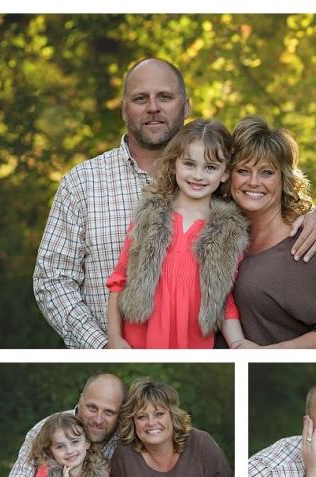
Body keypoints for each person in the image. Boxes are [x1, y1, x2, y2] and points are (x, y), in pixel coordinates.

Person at [33, 59, 316, 349]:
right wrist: (106, 347)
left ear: (186, 105)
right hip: (121, 349)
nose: (153, 107)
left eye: (164, 96)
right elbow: (53, 280)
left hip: (196, 344)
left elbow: (261, 190)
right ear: (124, 109)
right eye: (140, 98)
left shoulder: (218, 186)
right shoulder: (82, 183)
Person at [106, 119, 248, 349]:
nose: (198, 175)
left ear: (225, 174)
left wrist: (238, 344)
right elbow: (119, 279)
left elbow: (224, 298)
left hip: (191, 341)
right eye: (190, 164)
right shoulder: (150, 216)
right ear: (174, 165)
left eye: (210, 167)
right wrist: (114, 338)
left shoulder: (229, 231)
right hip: (141, 338)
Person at [229, 115, 316, 348]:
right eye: (243, 170)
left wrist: (264, 354)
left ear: (283, 178)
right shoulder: (223, 233)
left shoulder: (305, 244)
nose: (254, 182)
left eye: (266, 172)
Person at [0, 372, 126, 477]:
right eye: (92, 407)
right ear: (80, 400)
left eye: (109, 412)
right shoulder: (49, 429)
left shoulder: (125, 444)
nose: (98, 420)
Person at [110, 377, 234, 477]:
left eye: (159, 414)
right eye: (142, 417)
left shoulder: (200, 443)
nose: (151, 423)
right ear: (133, 421)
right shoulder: (124, 456)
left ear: (172, 415)